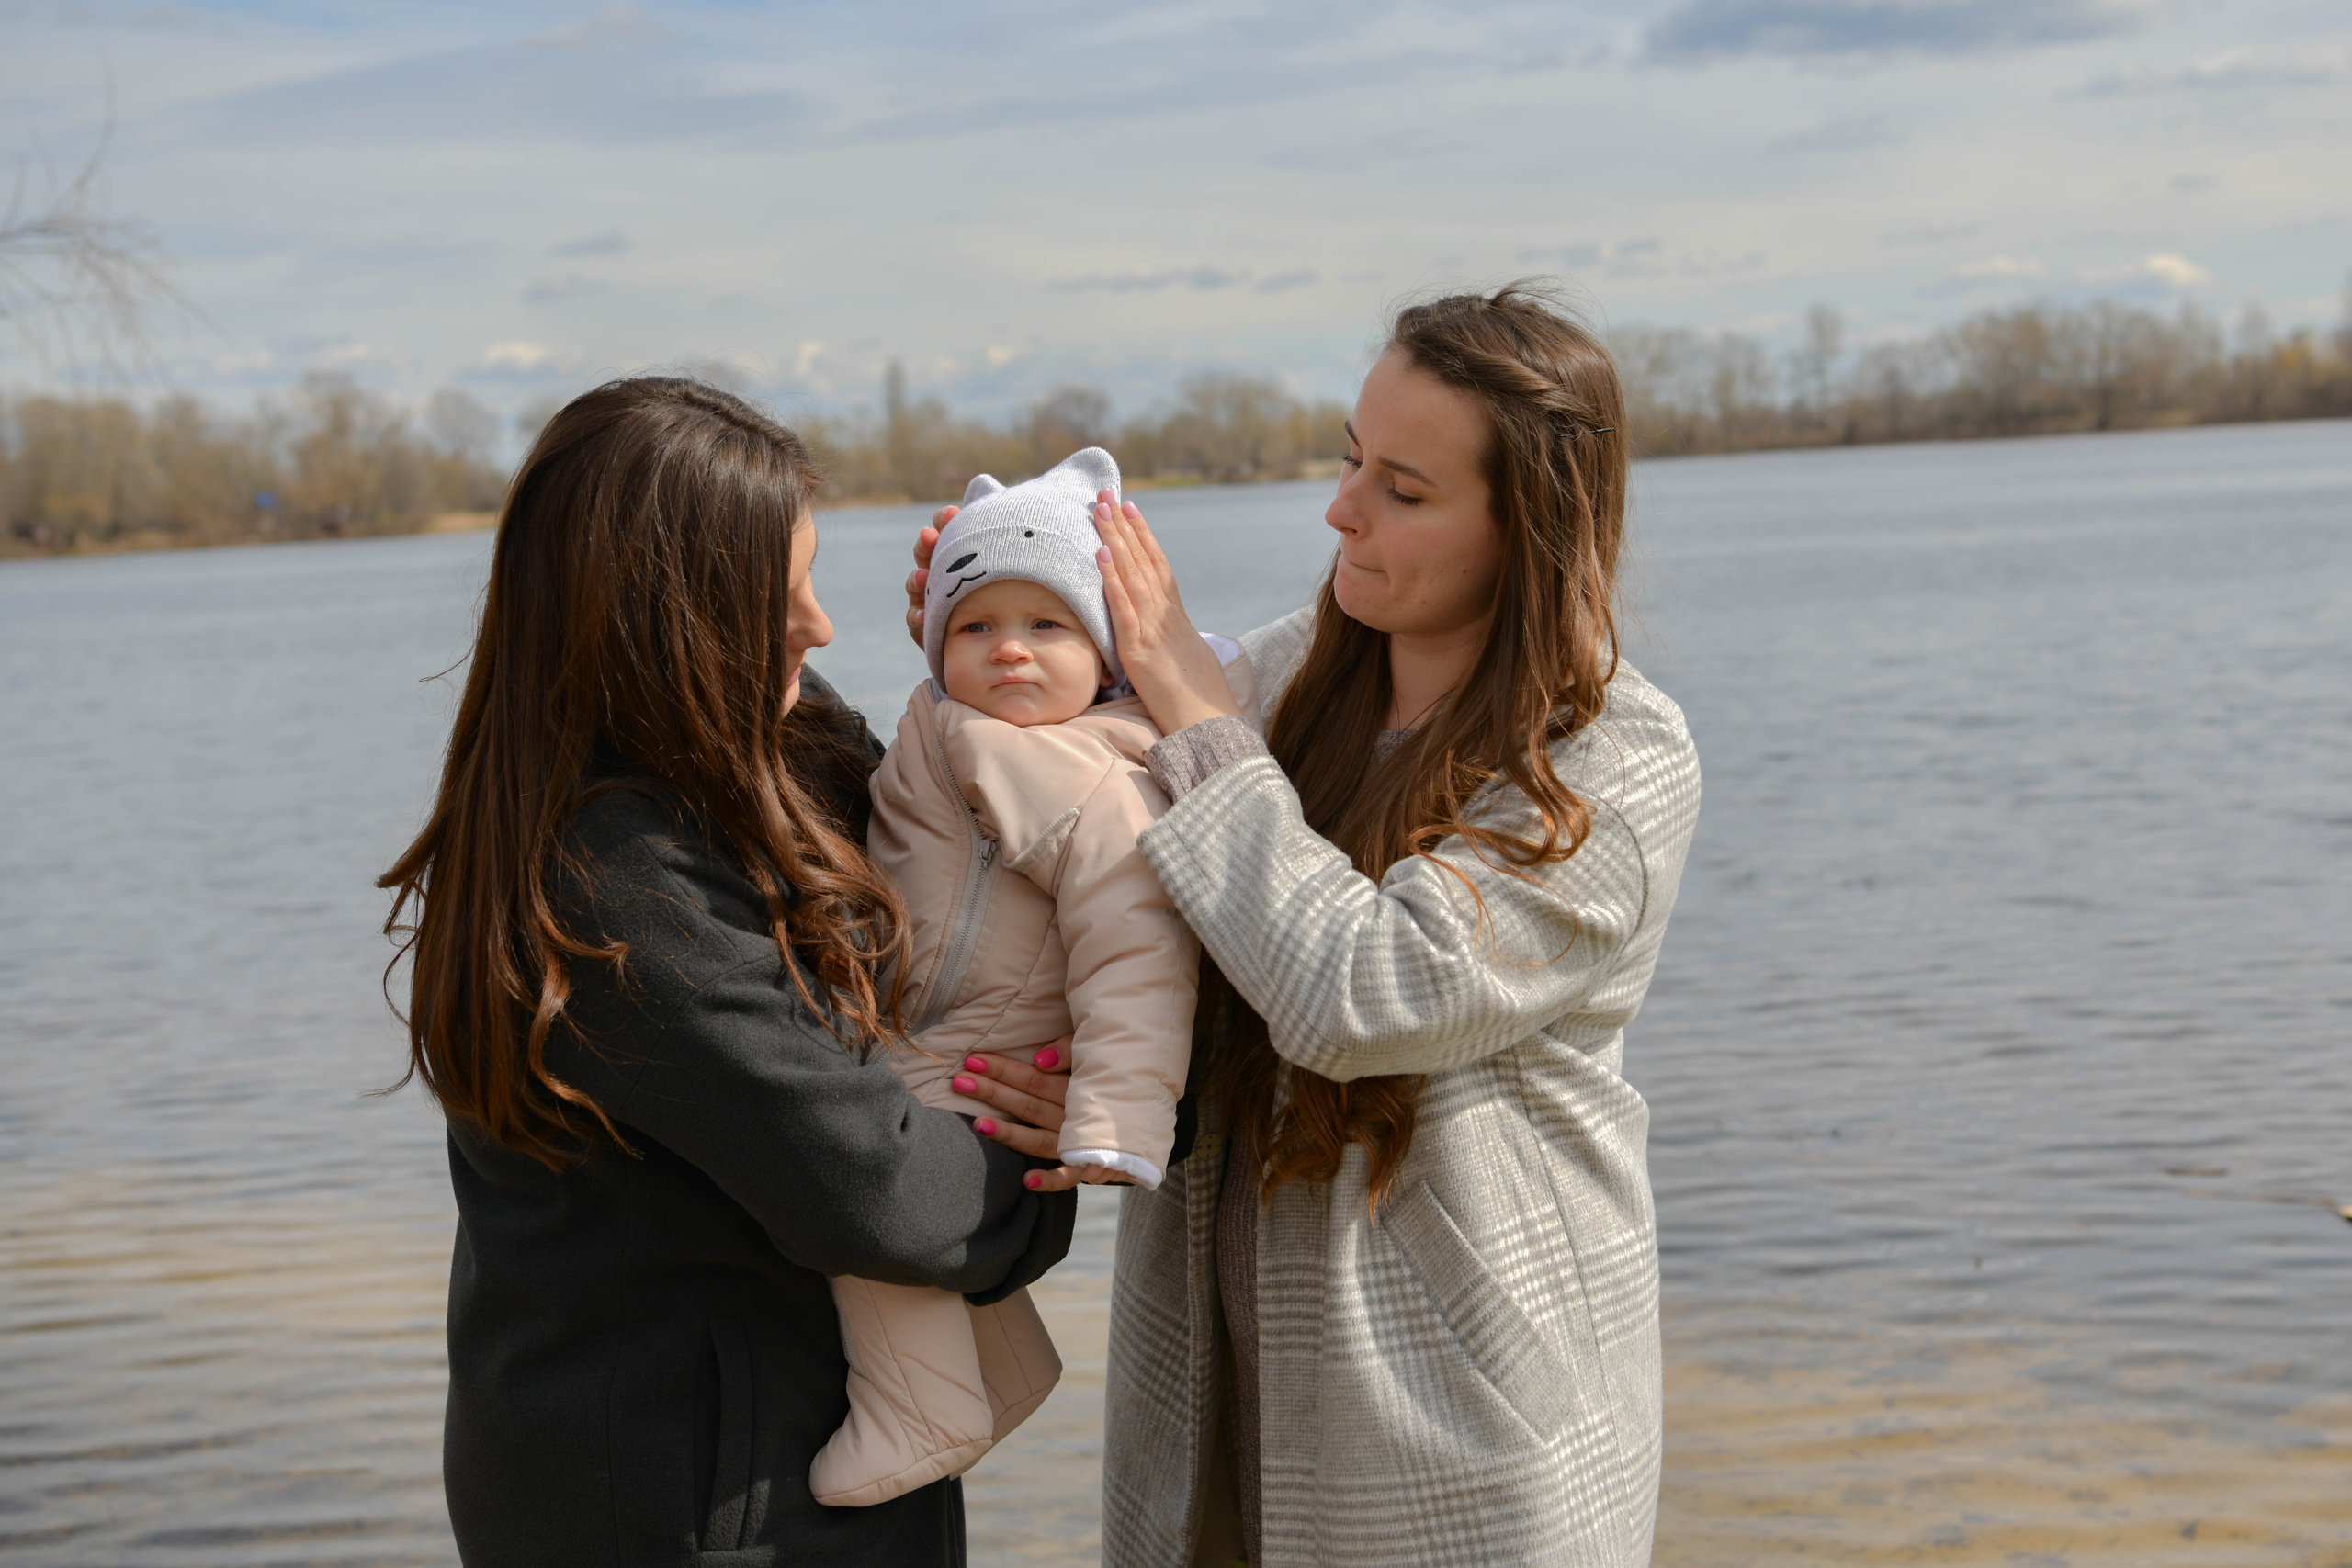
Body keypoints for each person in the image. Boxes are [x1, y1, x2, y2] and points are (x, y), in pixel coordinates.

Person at [912, 285, 1702, 1565]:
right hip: (1214, 1391)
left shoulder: (1610, 757)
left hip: (1459, 1419)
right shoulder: (1273, 679)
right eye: (1350, 458)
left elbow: (1365, 997)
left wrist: (1188, 707)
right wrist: (992, 629)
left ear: (1531, 531)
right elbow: (1065, 847)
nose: (1341, 508)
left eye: (1404, 488)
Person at [379, 378, 1080, 1568]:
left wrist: (980, 645)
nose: (818, 623)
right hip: (688, 1503)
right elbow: (884, 1194)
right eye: (779, 594)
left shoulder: (772, 748)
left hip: (767, 1453)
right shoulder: (611, 885)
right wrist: (1055, 1146)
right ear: (667, 616)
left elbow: (966, 831)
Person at [812, 447, 1256, 1508]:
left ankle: (922, 1406)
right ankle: (1002, 1367)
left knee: (852, 1181)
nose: (1009, 650)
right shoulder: (932, 726)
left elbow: (1137, 956)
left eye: (1047, 627)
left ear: (1105, 652)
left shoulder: (1101, 774)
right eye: (976, 627)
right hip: (920, 1014)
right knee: (862, 1142)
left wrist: (1116, 1117)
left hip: (987, 1045)